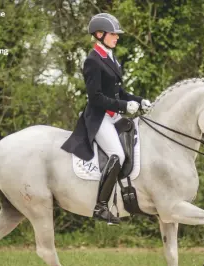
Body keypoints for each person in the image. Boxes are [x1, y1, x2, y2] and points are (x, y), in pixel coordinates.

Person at [61, 13, 152, 224]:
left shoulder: (111, 58)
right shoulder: (92, 61)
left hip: (114, 115)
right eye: (113, 34)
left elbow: (120, 92)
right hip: (99, 117)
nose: (117, 37)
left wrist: (139, 100)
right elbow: (96, 98)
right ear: (100, 34)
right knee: (117, 154)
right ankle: (100, 207)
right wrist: (123, 106)